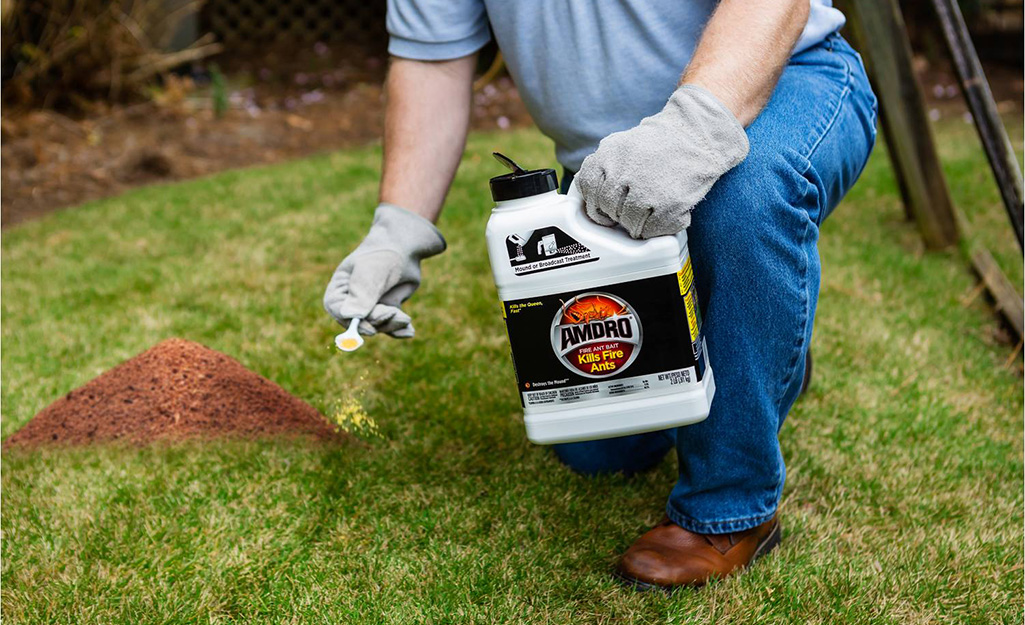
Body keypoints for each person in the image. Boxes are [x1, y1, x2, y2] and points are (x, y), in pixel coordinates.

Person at [323, 0, 877, 589]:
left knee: (740, 198)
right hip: (608, 164)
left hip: (779, 85)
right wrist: (398, 228)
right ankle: (748, 336)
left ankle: (729, 509)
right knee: (603, 450)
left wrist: (691, 133)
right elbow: (432, 63)